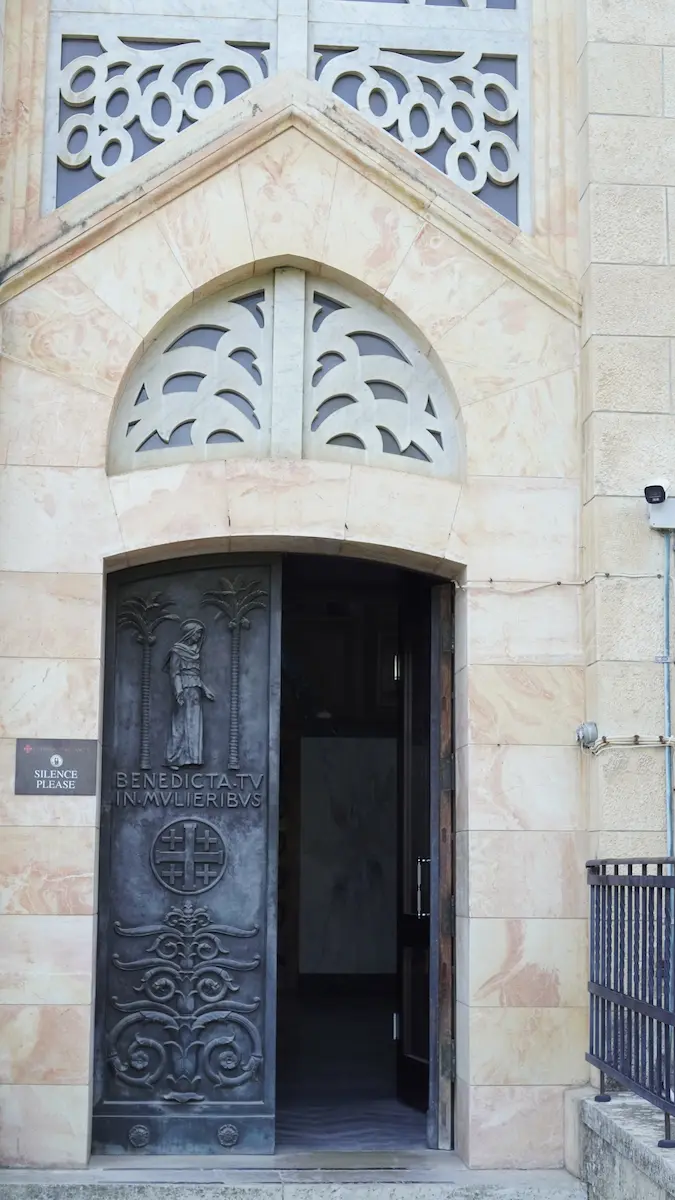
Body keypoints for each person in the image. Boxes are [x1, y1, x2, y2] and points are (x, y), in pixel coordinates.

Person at [164, 620, 215, 767]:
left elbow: (196, 676)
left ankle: (192, 758)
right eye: (197, 633)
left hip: (195, 692)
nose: (199, 636)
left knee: (194, 724)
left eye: (200, 633)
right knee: (180, 724)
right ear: (190, 633)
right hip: (183, 691)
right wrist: (178, 691)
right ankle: (173, 758)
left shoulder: (195, 651)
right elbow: (174, 673)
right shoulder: (177, 651)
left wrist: (205, 690)